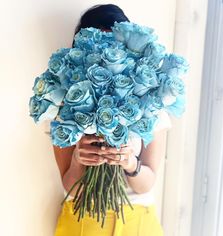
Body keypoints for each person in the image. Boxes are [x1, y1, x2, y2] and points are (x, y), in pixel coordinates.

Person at [50, 4, 172, 236]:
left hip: (138, 222)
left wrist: (129, 163)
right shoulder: (66, 106)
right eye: (98, 47)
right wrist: (78, 159)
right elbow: (70, 187)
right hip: (82, 222)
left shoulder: (150, 104)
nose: (106, 55)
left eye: (113, 46)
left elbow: (147, 182)